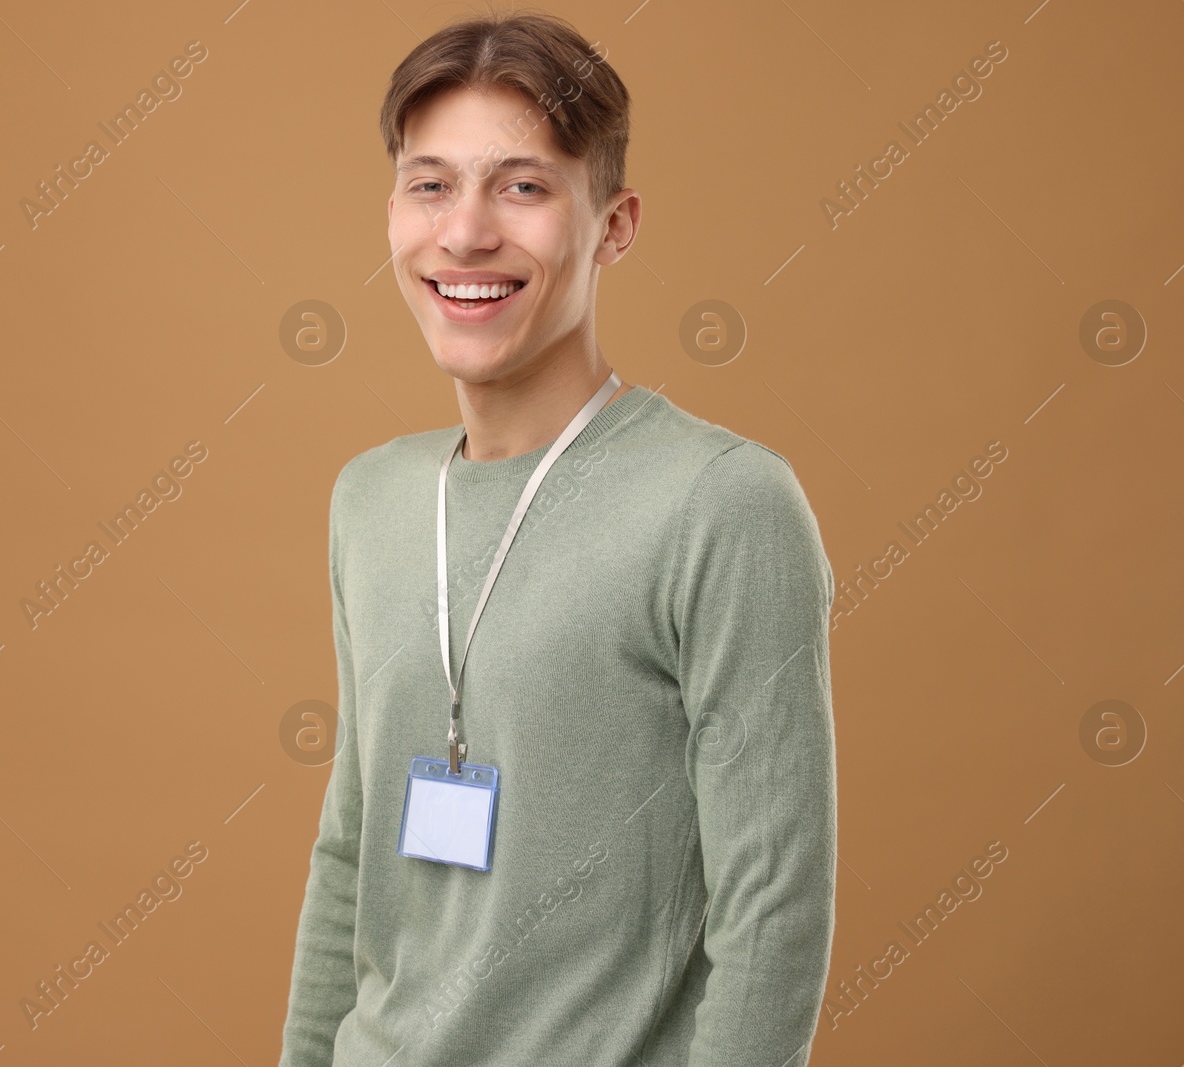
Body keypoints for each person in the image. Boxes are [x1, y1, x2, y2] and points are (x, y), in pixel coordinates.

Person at [279, 10, 837, 1066]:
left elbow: (773, 907)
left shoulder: (722, 503)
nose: (466, 231)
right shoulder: (372, 498)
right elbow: (351, 851)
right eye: (430, 183)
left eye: (522, 185)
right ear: (393, 211)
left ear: (614, 223)